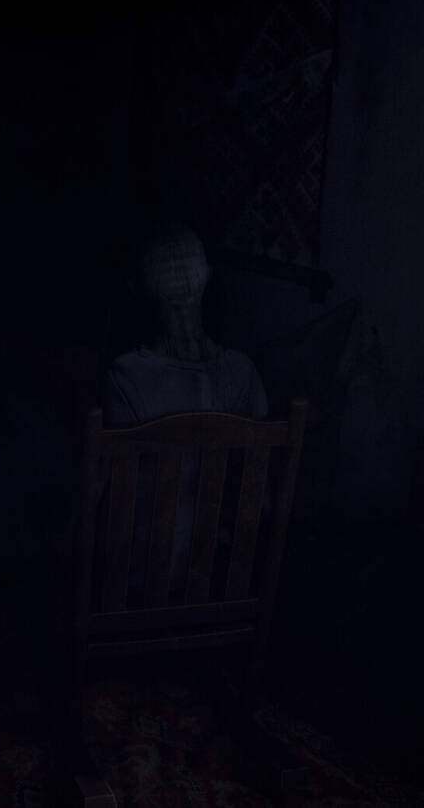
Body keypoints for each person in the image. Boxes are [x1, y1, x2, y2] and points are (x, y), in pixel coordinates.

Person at [98, 222, 269, 601]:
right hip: (223, 584)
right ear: (206, 275)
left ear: (138, 287)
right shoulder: (243, 371)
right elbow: (259, 495)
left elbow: (107, 498)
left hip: (141, 585)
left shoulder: (126, 377)